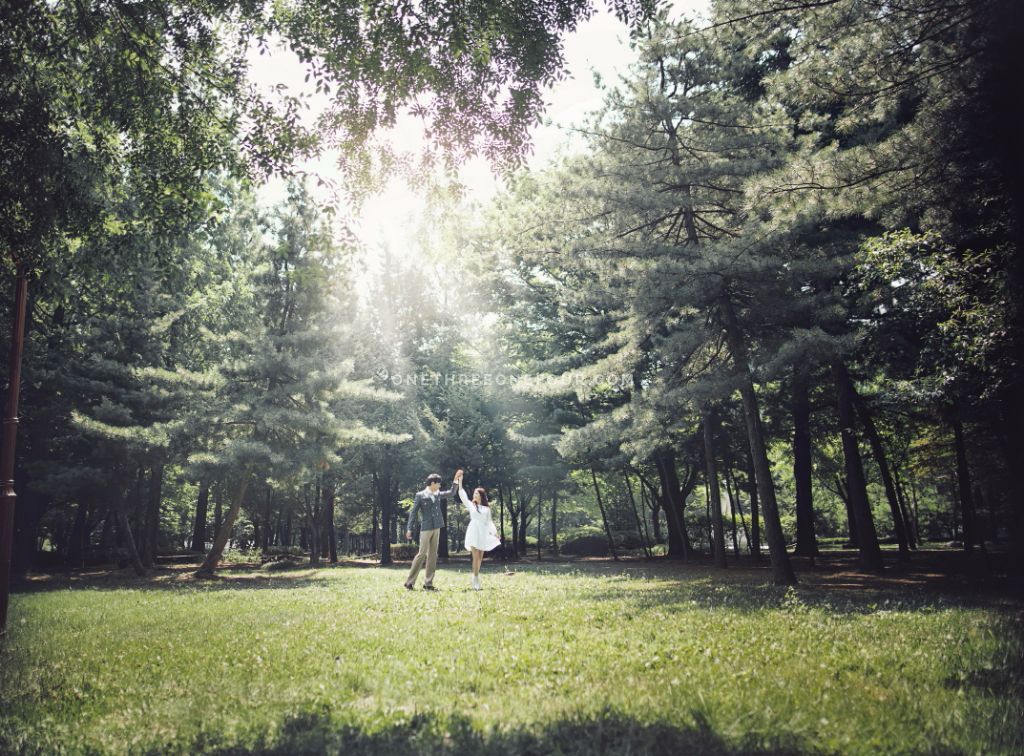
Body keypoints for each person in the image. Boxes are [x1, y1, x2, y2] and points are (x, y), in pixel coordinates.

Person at [404, 471, 461, 591]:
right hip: (426, 527)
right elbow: (413, 513)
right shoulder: (420, 495)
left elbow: (452, 492)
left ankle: (428, 583)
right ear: (433, 483)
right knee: (422, 553)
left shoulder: (438, 494)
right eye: (438, 484)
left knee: (433, 555)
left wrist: (456, 479)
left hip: (437, 527)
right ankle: (409, 582)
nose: (440, 486)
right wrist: (409, 529)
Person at [458, 481, 501, 590]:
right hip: (473, 531)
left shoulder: (487, 509)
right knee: (475, 556)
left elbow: (489, 523)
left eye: (476, 493)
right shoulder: (471, 505)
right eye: (474, 493)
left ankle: (475, 576)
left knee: (480, 557)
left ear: (481, 495)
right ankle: (476, 580)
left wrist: (495, 534)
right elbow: (462, 495)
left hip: (483, 533)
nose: (474, 495)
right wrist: (460, 482)